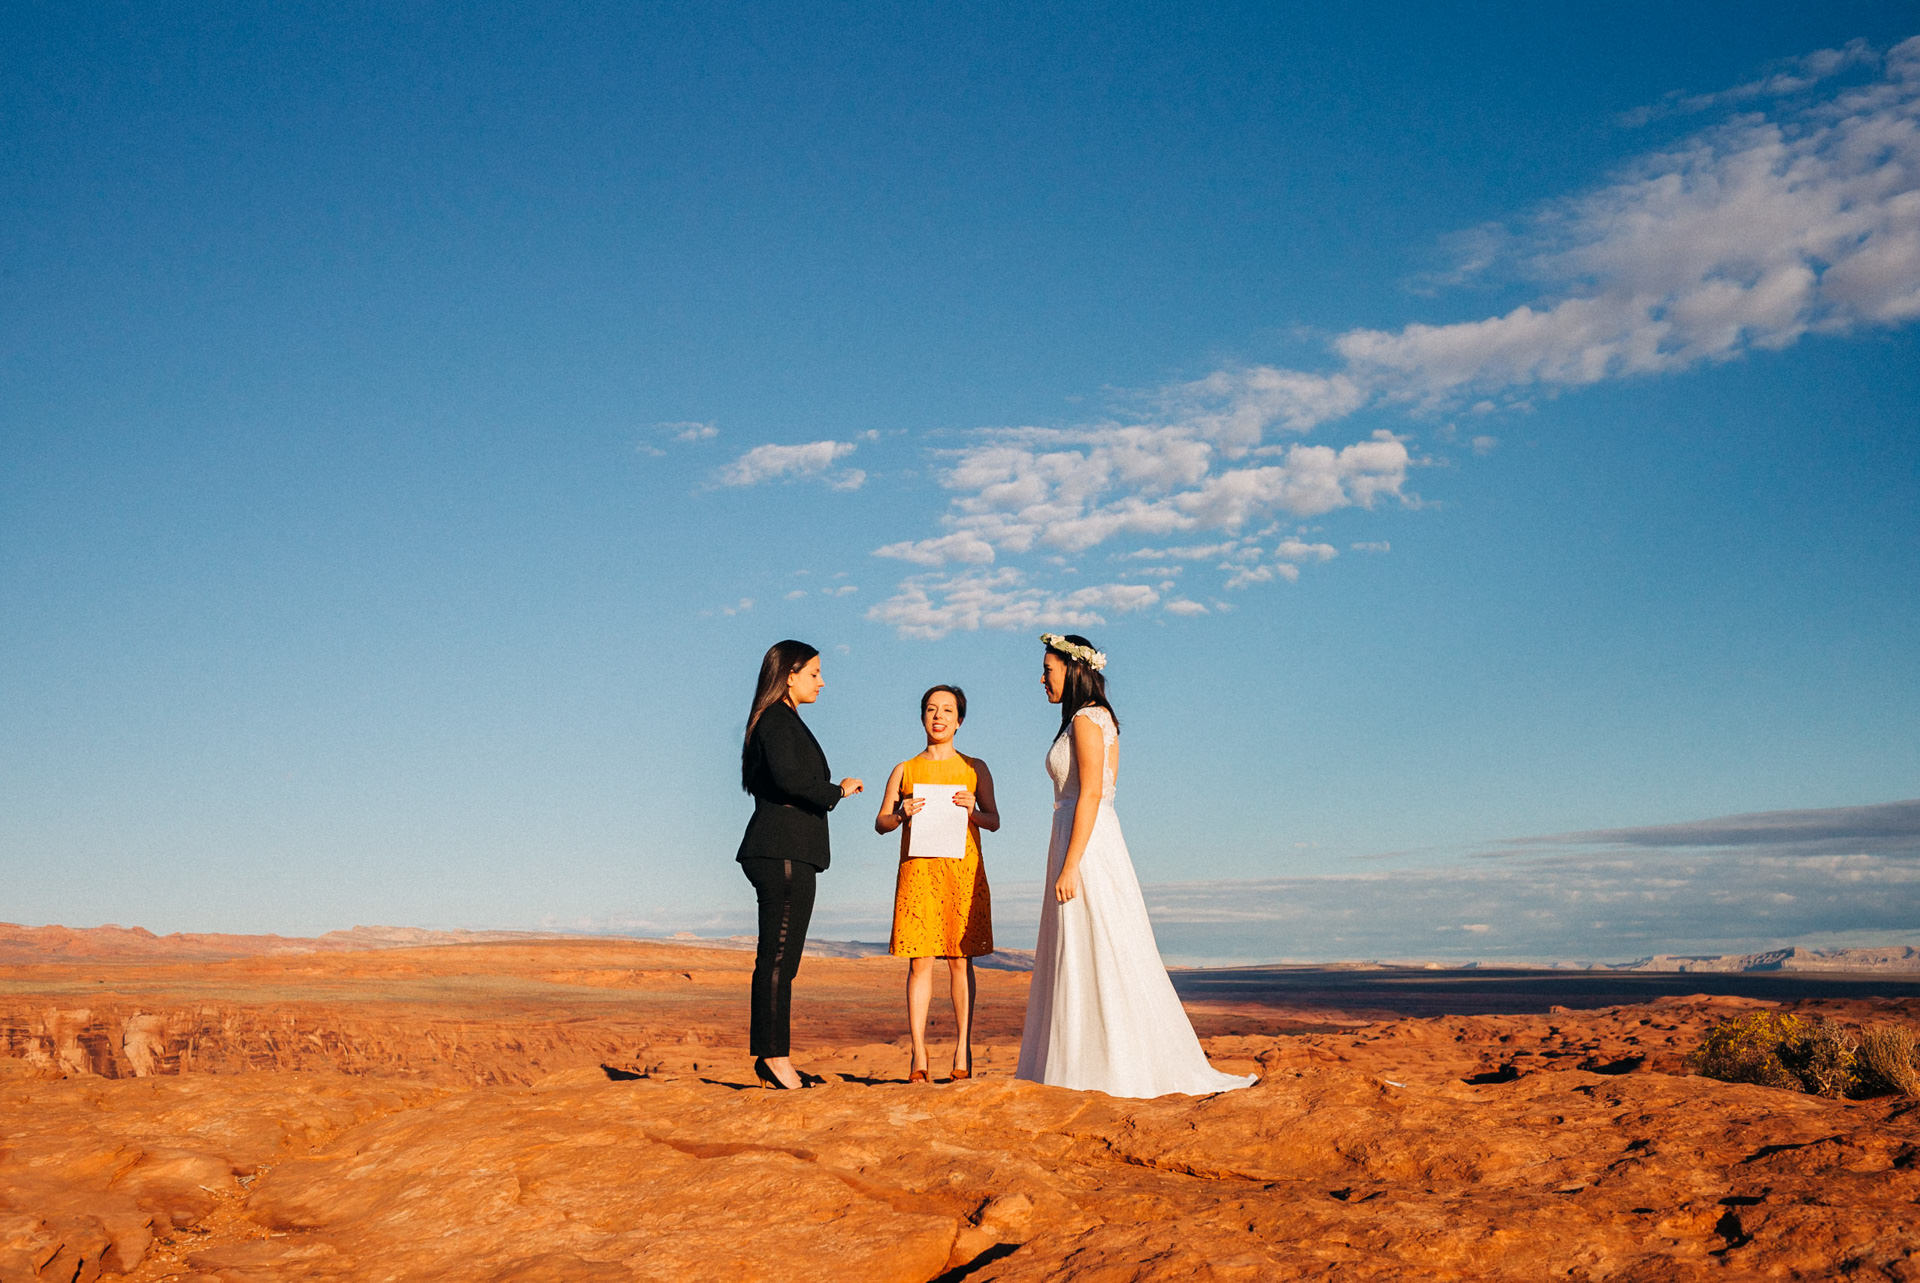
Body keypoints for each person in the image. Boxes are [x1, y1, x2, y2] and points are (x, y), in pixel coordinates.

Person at [1015, 632, 1255, 1098]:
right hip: (1086, 836)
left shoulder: (1087, 720)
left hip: (1084, 842)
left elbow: (1091, 794)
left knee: (1097, 942)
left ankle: (1101, 1066)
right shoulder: (1094, 719)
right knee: (1092, 944)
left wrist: (1071, 865)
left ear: (1073, 669)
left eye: (1048, 669)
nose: (1042, 678)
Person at [736, 640, 863, 1090]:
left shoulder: (781, 721)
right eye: (814, 673)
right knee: (778, 960)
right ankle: (774, 1059)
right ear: (789, 675)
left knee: (780, 960)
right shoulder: (775, 721)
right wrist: (837, 791)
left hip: (786, 850)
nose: (822, 681)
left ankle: (773, 1058)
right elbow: (791, 779)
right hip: (782, 850)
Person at [875, 685, 999, 1083]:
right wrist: (901, 812)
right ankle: (919, 1056)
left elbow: (994, 819)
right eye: (931, 709)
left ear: (959, 720)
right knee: (920, 962)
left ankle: (963, 1051)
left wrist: (973, 811)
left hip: (962, 872)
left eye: (947, 710)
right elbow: (881, 823)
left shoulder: (975, 768)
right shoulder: (905, 769)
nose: (938, 716)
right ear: (922, 716)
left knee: (961, 961)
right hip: (919, 872)